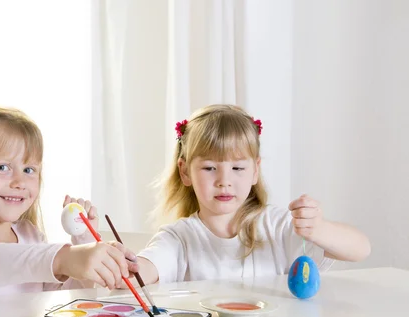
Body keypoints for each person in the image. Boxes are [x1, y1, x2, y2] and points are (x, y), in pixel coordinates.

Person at [0, 90, 137, 299]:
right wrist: (63, 258)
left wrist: (84, 244)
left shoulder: (30, 236)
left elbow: (71, 297)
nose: (19, 182)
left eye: (29, 170)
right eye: (2, 167)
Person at [135, 104, 370, 284]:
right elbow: (142, 271)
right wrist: (107, 260)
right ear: (185, 172)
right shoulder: (179, 238)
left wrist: (319, 229)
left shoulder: (276, 226)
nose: (224, 181)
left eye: (238, 168)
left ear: (255, 170)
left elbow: (361, 249)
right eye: (209, 168)